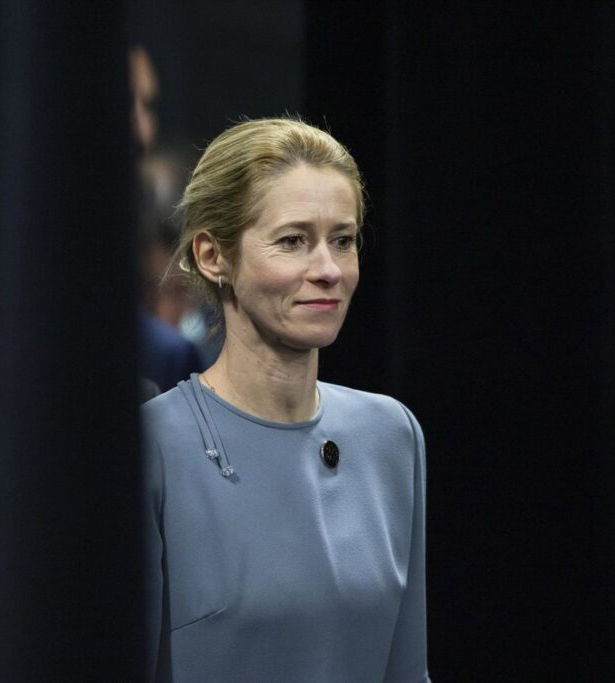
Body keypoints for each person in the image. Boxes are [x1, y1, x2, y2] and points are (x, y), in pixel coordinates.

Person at [142, 117, 430, 682]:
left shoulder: (391, 435)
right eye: (293, 240)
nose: (328, 270)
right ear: (213, 256)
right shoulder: (153, 445)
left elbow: (407, 672)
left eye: (342, 241)